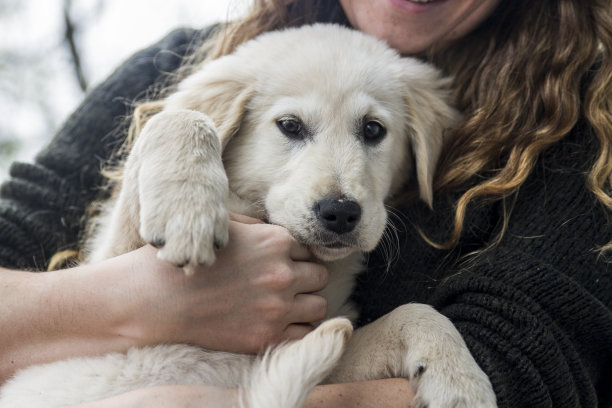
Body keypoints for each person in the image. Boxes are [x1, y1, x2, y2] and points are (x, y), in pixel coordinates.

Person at [1, 0, 611, 407]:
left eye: (372, 133)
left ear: (417, 150)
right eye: (291, 125)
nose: (340, 194)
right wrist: (137, 297)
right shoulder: (196, 74)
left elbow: (529, 371)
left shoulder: (585, 128)